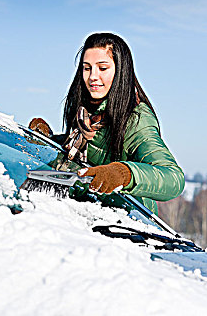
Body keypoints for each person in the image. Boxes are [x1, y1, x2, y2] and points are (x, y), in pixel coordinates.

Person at [29, 32, 185, 215]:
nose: (93, 76)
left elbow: (173, 178)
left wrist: (123, 174)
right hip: (84, 210)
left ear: (120, 72)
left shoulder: (136, 119)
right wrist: (48, 140)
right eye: (87, 68)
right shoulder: (86, 110)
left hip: (125, 222)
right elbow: (89, 153)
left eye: (102, 68)